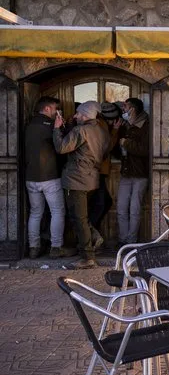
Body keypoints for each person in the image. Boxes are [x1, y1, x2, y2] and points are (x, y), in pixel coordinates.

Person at [53, 101, 110, 269]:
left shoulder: (81, 130)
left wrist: (57, 129)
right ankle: (92, 238)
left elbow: (62, 148)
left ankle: (87, 257)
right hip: (92, 179)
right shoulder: (102, 131)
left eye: (78, 114)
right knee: (82, 217)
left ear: (85, 115)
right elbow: (104, 153)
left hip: (76, 180)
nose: (75, 116)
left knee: (78, 218)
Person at [24, 97, 71, 259]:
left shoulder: (28, 125)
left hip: (30, 177)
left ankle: (33, 247)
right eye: (56, 108)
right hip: (50, 176)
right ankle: (56, 247)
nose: (58, 111)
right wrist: (61, 127)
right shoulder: (51, 126)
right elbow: (62, 147)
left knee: (36, 212)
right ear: (47, 109)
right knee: (57, 211)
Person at [87, 102, 122, 249]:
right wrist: (115, 130)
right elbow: (107, 147)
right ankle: (89, 233)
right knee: (102, 202)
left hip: (99, 171)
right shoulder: (101, 125)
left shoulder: (102, 124)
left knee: (103, 202)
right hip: (96, 171)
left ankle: (91, 232)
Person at [117, 97, 149, 247]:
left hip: (140, 173)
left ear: (133, 109)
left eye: (125, 107)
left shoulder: (146, 126)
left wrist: (126, 143)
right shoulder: (125, 125)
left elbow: (145, 150)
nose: (123, 109)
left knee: (134, 209)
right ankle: (123, 241)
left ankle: (131, 241)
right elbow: (117, 149)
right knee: (121, 208)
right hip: (126, 172)